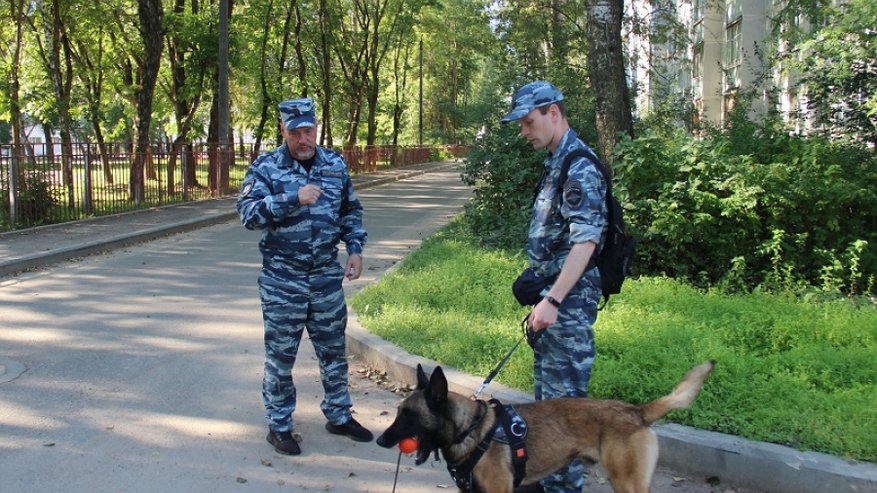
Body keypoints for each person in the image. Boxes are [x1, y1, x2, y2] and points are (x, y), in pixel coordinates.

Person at [236, 97, 373, 456]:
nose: (302, 138)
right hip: (283, 280)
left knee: (333, 351)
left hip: (326, 277)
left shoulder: (333, 164)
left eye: (308, 130)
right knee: (281, 356)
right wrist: (291, 198)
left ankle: (339, 415)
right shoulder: (265, 168)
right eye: (295, 131)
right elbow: (249, 215)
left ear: (316, 128)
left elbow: (350, 211)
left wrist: (355, 249)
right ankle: (279, 424)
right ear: (283, 130)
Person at [501, 81, 608, 493]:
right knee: (548, 410)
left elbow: (587, 242)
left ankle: (564, 488)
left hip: (567, 308)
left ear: (553, 113)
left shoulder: (579, 166)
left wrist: (553, 298)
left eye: (529, 122)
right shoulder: (556, 161)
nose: (524, 131)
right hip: (553, 305)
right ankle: (548, 485)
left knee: (565, 421)